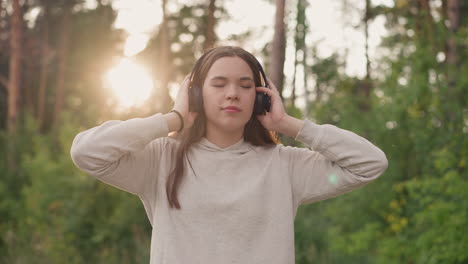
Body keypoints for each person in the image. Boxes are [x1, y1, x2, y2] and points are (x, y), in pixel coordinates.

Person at [70, 46, 388, 264]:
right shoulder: (160, 161)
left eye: (245, 85)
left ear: (260, 98)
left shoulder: (285, 165)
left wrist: (288, 124)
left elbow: (369, 163)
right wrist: (173, 119)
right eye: (219, 84)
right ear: (196, 94)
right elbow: (87, 152)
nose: (232, 93)